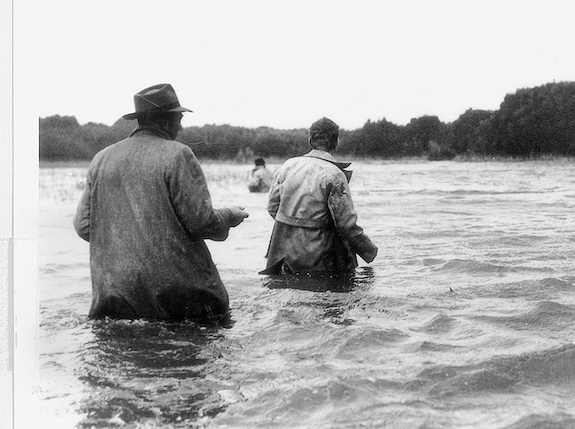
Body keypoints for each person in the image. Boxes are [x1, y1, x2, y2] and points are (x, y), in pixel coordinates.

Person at [73, 83, 249, 322]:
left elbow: (83, 226)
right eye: (179, 118)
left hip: (115, 296)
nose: (181, 125)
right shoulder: (178, 154)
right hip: (177, 297)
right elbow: (202, 223)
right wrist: (230, 215)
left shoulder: (101, 159)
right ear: (166, 120)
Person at [263, 117, 377, 275]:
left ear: (310, 141)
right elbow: (345, 224)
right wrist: (369, 250)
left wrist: (294, 226)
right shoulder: (334, 174)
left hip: (283, 253)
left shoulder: (287, 166)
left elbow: (272, 207)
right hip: (319, 255)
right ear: (336, 143)